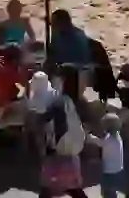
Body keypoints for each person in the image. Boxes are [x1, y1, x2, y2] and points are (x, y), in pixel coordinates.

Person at [38, 64, 90, 198]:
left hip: (58, 147)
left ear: (62, 79)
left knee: (47, 186)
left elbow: (45, 119)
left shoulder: (58, 101)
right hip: (73, 148)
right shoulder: (78, 100)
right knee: (73, 186)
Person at [89, 113, 125, 198]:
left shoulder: (110, 141)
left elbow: (100, 143)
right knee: (111, 191)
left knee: (108, 192)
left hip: (109, 172)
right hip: (117, 169)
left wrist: (89, 137)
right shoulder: (117, 136)